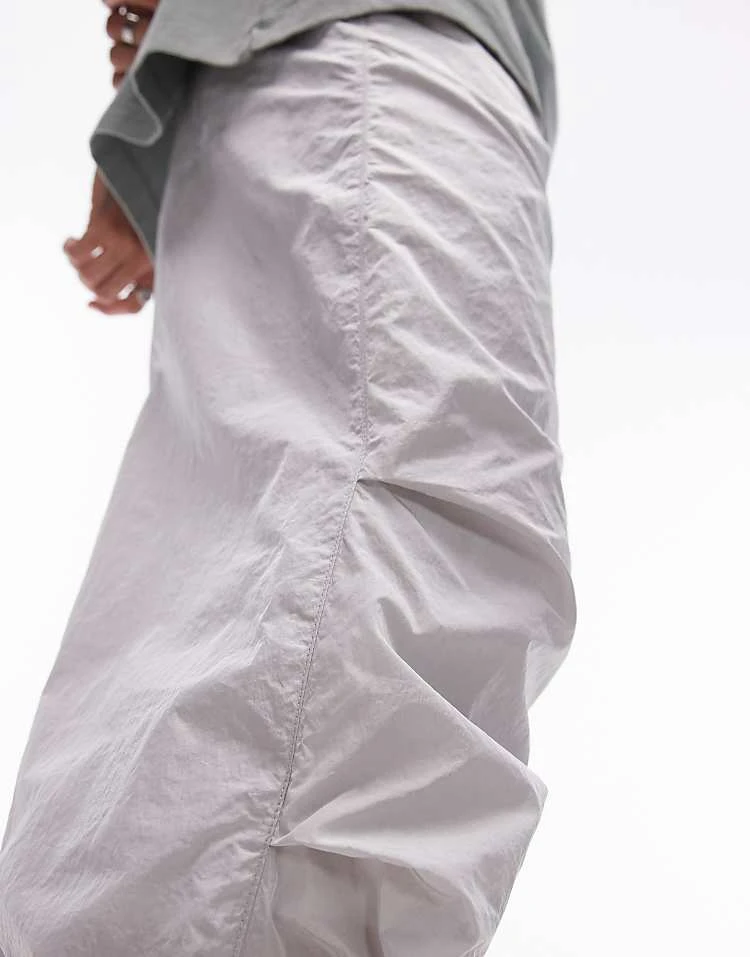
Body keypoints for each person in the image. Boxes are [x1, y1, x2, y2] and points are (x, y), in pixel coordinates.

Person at [0, 1, 577, 955]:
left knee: (317, 561)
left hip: (332, 75)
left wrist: (165, 72)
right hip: (375, 53)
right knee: (402, 538)